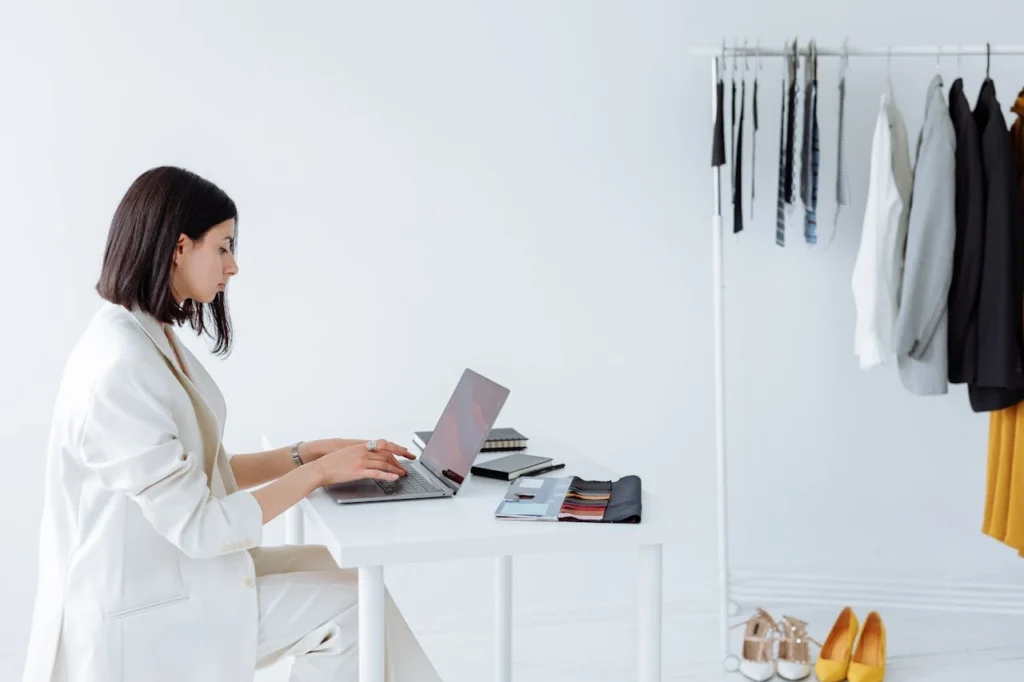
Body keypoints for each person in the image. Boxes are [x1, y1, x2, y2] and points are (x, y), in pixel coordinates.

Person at [22, 166, 443, 682]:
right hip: (143, 613)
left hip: (171, 577)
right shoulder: (120, 369)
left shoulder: (142, 331)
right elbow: (201, 527)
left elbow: (200, 473)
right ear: (180, 247)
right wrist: (318, 474)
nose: (234, 266)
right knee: (354, 610)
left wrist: (305, 454)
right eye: (222, 247)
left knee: (351, 577)